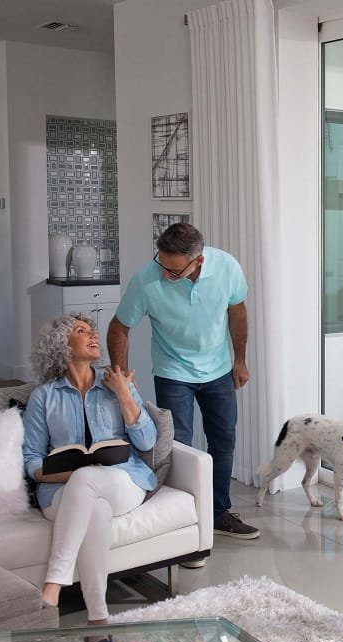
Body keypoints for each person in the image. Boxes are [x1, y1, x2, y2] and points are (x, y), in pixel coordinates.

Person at [108, 222, 258, 542]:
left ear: (198, 261)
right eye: (162, 264)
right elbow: (119, 327)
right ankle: (183, 517)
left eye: (174, 271)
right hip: (173, 371)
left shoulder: (227, 267)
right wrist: (121, 378)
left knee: (223, 441)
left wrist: (240, 360)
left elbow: (238, 313)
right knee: (178, 445)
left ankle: (217, 512)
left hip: (218, 369)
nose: (165, 273)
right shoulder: (146, 279)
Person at [22, 314, 158, 642]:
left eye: (92, 330)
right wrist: (67, 474)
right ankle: (98, 622)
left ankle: (53, 585)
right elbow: (32, 459)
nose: (94, 335)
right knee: (93, 505)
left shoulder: (116, 383)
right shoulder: (44, 397)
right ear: (61, 345)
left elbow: (146, 442)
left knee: (88, 480)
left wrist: (124, 394)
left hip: (123, 482)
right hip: (61, 493)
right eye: (82, 331)